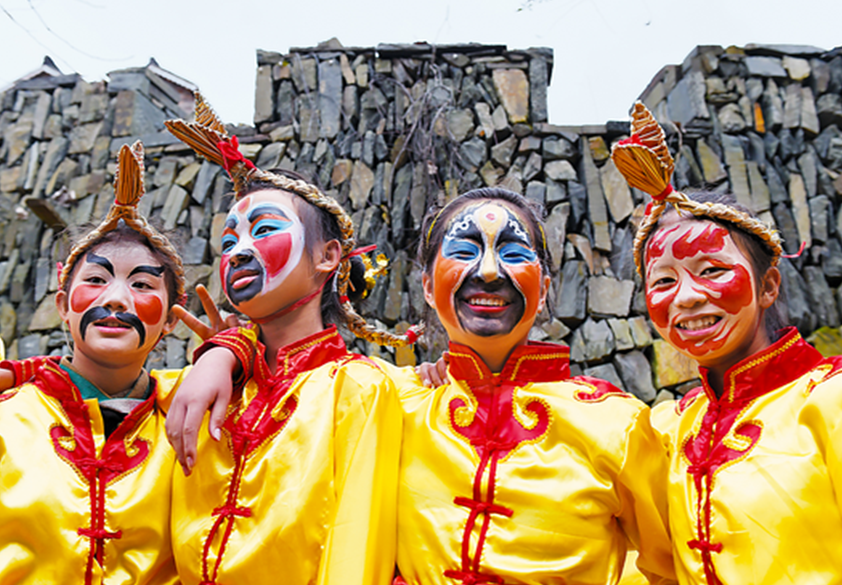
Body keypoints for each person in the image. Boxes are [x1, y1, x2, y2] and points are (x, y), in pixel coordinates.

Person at [163, 95, 417, 585]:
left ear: (327, 256)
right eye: (230, 240)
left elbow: (357, 548)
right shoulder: (199, 387)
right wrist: (226, 349)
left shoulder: (362, 389)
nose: (239, 252)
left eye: (264, 230)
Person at [392, 187, 675, 584]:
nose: (489, 271)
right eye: (464, 251)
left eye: (513, 253)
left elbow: (675, 567)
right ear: (426, 286)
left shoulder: (616, 424)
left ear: (542, 291)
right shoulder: (390, 407)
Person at [612, 102, 842, 584]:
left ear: (768, 286)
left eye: (712, 270)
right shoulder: (666, 431)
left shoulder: (829, 399)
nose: (688, 298)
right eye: (664, 282)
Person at [0, 141, 189, 584]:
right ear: (64, 306)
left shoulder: (190, 419)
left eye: (142, 284)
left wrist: (229, 350)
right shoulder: (9, 414)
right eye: (97, 280)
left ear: (170, 320)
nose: (117, 299)